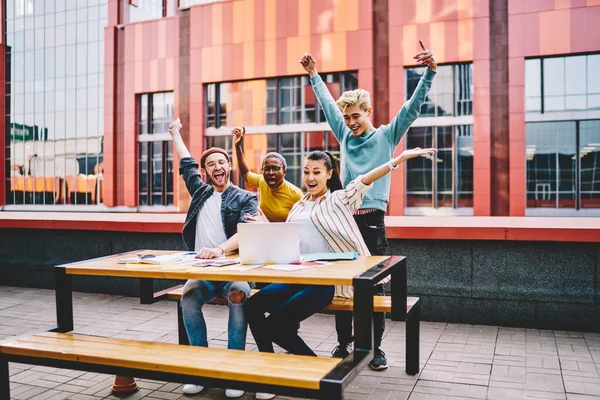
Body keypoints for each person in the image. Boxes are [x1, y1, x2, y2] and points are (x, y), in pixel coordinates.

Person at [244, 148, 435, 398]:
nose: (310, 177)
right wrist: (265, 226)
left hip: (324, 283)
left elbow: (365, 179)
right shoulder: (300, 203)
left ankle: (319, 372)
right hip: (296, 278)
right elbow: (291, 241)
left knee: (276, 327)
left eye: (316, 172)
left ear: (328, 174)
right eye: (306, 172)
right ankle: (272, 369)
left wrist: (396, 161)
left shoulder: (338, 200)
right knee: (252, 306)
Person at [299, 40, 437, 370]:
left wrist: (430, 71)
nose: (349, 122)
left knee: (373, 287)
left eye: (355, 116)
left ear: (369, 113)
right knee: (341, 283)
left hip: (372, 221)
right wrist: (314, 74)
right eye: (346, 118)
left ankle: (375, 348)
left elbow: (412, 108)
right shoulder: (344, 136)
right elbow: (328, 106)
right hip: (341, 220)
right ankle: (344, 343)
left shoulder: (386, 136)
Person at [168, 118, 258, 398]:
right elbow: (186, 162)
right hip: (202, 272)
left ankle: (234, 371)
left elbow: (245, 231)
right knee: (188, 298)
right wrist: (175, 133)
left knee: (239, 298)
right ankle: (201, 369)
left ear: (229, 166)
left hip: (233, 271)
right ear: (206, 171)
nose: (217, 167)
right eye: (211, 164)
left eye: (222, 162)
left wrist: (220, 249)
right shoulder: (200, 192)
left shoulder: (246, 197)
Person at [232, 126, 303, 222]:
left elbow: (301, 224)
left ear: (284, 172)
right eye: (267, 169)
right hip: (264, 232)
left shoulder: (296, 194)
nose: (271, 173)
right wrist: (237, 147)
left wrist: (266, 223)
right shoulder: (262, 181)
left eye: (276, 168)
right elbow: (245, 173)